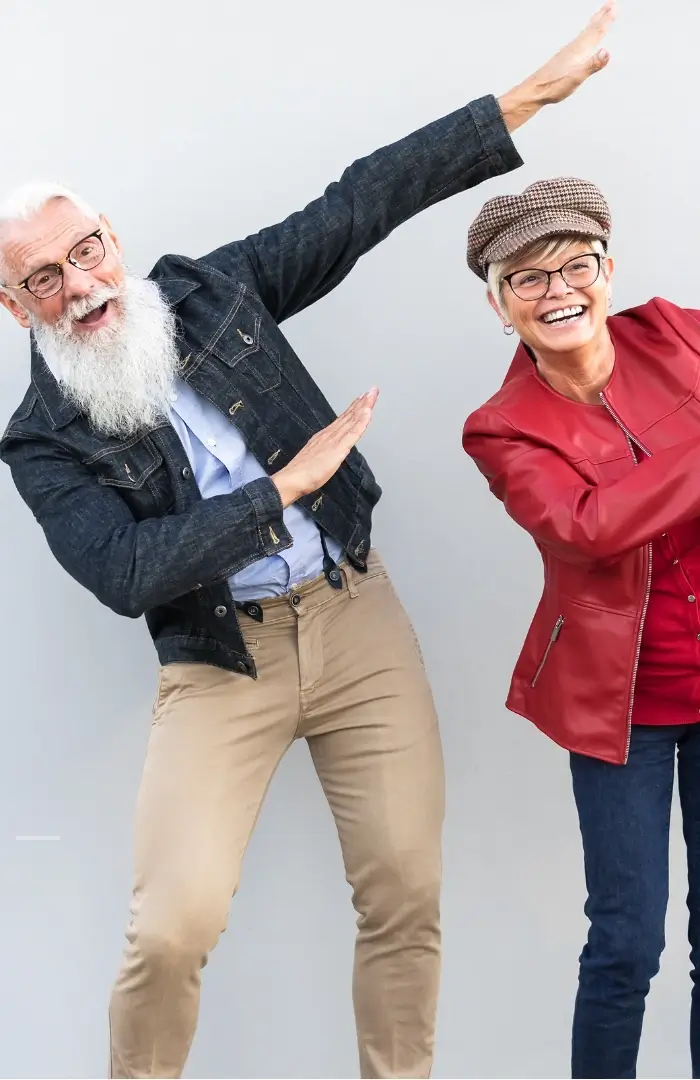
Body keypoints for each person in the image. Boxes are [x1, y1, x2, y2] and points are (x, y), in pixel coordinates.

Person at [0, 7, 614, 1077]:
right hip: (216, 663)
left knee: (405, 893)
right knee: (171, 929)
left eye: (85, 251)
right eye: (43, 277)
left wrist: (518, 104)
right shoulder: (40, 438)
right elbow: (126, 573)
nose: (81, 285)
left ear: (113, 240)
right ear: (14, 305)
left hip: (350, 616)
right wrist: (283, 486)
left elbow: (358, 203)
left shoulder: (211, 290)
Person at [462, 171, 700, 1079]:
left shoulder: (675, 329)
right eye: (528, 277)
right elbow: (588, 526)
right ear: (501, 306)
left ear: (610, 269)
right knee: (627, 943)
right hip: (624, 706)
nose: (559, 290)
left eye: (577, 265)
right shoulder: (502, 429)